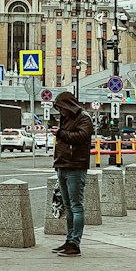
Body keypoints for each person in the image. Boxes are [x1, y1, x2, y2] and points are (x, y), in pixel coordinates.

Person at [50, 91, 93, 257]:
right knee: (68, 206)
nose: (60, 111)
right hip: (63, 164)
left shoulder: (83, 117)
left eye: (61, 108)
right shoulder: (67, 118)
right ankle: (69, 240)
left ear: (68, 105)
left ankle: (75, 243)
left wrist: (60, 133)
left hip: (75, 165)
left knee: (76, 206)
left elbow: (81, 136)